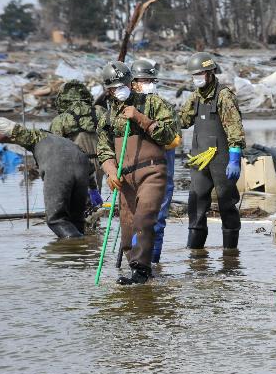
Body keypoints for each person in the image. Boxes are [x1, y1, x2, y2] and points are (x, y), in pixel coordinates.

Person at [96, 61, 177, 285]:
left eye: (123, 85)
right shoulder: (108, 117)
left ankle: (141, 271)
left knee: (145, 219)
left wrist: (141, 118)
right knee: (128, 228)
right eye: (114, 87)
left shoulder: (153, 103)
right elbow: (103, 151)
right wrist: (111, 172)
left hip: (152, 171)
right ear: (108, 90)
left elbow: (170, 135)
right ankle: (140, 271)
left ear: (131, 83)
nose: (119, 90)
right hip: (125, 177)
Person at [179, 52, 245, 250]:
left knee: (227, 204)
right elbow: (182, 121)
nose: (196, 77)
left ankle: (230, 255)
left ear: (210, 72)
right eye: (194, 74)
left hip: (222, 160)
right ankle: (195, 255)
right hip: (200, 158)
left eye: (200, 73)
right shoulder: (195, 97)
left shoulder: (224, 96)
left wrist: (235, 159)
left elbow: (235, 130)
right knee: (196, 203)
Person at [0, 117, 91, 238]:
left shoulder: (30, 137)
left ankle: (73, 245)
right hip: (82, 164)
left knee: (56, 220)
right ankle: (80, 253)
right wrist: (93, 189)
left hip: (59, 167)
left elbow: (14, 132)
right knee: (76, 219)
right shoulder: (51, 137)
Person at [130, 59, 181, 264]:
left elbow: (172, 137)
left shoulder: (163, 106)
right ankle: (135, 263)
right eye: (144, 80)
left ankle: (151, 265)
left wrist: (146, 123)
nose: (149, 84)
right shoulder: (125, 108)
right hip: (133, 172)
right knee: (132, 220)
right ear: (133, 82)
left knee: (156, 220)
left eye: (151, 80)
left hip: (160, 172)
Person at [49, 80, 105, 207]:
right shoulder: (99, 112)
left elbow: (54, 149)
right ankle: (94, 224)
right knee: (95, 202)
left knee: (76, 207)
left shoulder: (61, 119)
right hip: (99, 164)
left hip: (74, 166)